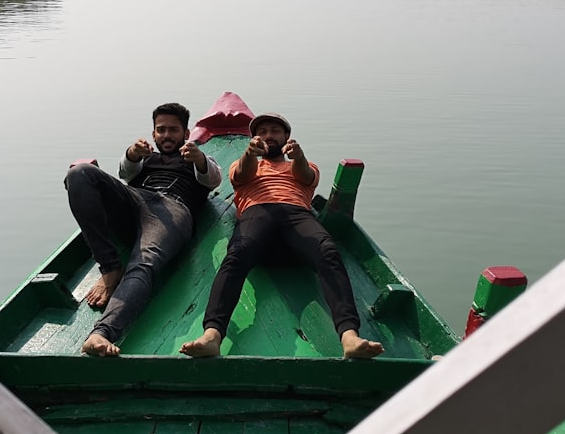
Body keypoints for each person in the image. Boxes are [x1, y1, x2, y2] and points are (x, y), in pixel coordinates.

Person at [180, 112, 384, 359]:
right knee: (237, 254)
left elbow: (306, 176)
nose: (268, 135)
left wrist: (298, 156)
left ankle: (349, 337)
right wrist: (249, 153)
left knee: (327, 250)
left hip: (296, 214)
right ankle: (212, 335)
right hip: (258, 212)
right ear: (254, 138)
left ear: (286, 137)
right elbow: (241, 175)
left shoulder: (303, 165)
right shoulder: (242, 163)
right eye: (262, 132)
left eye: (274, 131)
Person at [66, 102, 222, 356]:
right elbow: (124, 173)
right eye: (161, 130)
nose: (166, 135)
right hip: (135, 197)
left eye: (173, 130)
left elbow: (213, 178)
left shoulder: (196, 158)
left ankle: (100, 334)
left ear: (186, 133)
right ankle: (110, 267)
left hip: (172, 209)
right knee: (81, 173)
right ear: (153, 134)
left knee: (144, 263)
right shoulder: (144, 157)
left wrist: (199, 158)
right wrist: (131, 152)